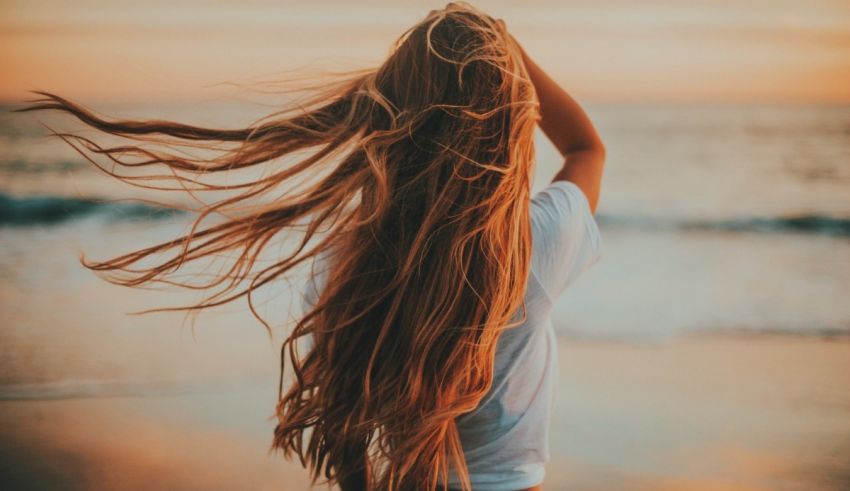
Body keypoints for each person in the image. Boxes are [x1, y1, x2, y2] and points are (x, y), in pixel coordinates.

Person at [13, 2, 604, 490]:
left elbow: (346, 432)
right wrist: (507, 46)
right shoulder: (537, 243)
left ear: (393, 119)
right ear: (507, 124)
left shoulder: (349, 256)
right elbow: (585, 147)